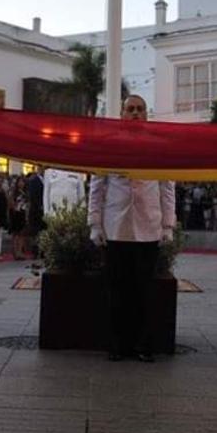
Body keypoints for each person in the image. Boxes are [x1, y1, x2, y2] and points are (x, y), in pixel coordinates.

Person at [89, 95, 176, 362]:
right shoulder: (109, 146)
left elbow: (167, 187)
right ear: (122, 114)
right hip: (116, 227)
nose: (135, 114)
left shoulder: (158, 147)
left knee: (145, 291)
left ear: (147, 115)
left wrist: (168, 225)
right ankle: (117, 345)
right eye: (130, 109)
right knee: (116, 290)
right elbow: (97, 186)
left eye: (140, 110)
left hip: (148, 227)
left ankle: (143, 345)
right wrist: (94, 223)